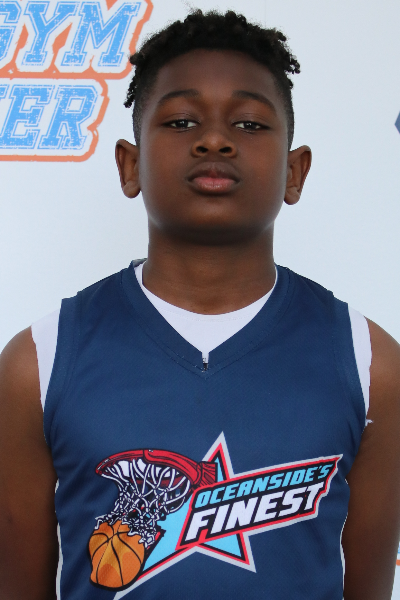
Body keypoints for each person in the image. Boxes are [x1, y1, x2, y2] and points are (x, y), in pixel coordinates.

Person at [0, 9, 399, 600]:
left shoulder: (370, 363)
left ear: (295, 172)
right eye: (182, 121)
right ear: (129, 165)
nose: (215, 140)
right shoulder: (40, 361)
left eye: (250, 124)